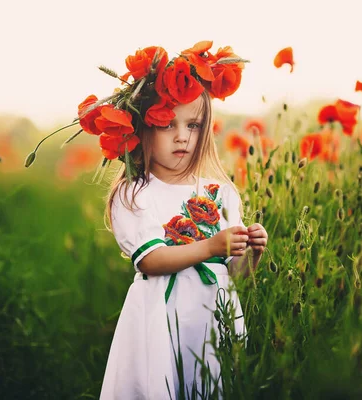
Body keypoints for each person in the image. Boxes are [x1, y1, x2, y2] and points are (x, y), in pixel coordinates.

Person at [25, 41, 267, 399]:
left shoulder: (222, 192)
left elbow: (233, 273)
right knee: (161, 383)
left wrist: (250, 251)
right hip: (160, 317)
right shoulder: (135, 194)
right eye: (167, 124)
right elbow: (151, 260)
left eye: (194, 124)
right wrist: (212, 245)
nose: (182, 136)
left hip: (212, 319)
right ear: (141, 129)